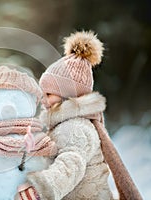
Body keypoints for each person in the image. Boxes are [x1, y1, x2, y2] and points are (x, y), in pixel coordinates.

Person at [25, 30, 142, 199]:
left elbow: (71, 164)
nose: (43, 100)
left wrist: (40, 188)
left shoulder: (75, 127)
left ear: (68, 95)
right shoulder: (64, 124)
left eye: (49, 94)